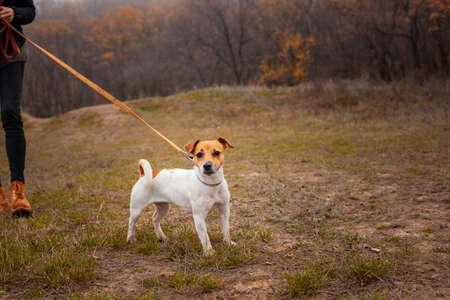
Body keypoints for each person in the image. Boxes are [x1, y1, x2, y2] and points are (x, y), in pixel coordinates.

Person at [0, 0, 35, 217]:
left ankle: (18, 190)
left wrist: (14, 13)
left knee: (10, 113)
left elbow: (30, 11)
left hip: (12, 51)